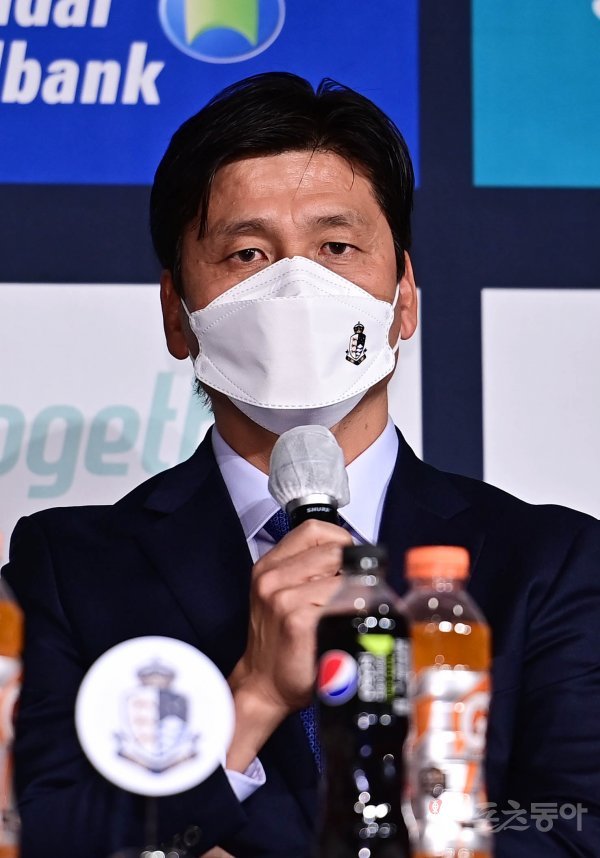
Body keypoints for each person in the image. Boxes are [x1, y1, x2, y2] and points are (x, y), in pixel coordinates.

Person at [3, 72, 600, 858]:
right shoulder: (69, 570)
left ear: (405, 296)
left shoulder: (549, 562)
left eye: (336, 248)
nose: (295, 286)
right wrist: (249, 697)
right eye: (247, 253)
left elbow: (577, 830)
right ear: (177, 313)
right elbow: (44, 832)